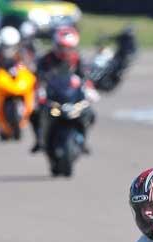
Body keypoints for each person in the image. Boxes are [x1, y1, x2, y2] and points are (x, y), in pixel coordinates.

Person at [31, 25, 96, 154]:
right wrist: (39, 90)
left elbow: (86, 78)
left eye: (69, 48)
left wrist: (90, 90)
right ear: (56, 45)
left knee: (89, 114)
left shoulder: (78, 59)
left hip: (72, 97)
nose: (65, 51)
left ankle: (83, 141)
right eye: (62, 47)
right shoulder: (46, 59)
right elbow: (38, 77)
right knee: (35, 115)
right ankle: (39, 140)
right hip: (53, 98)